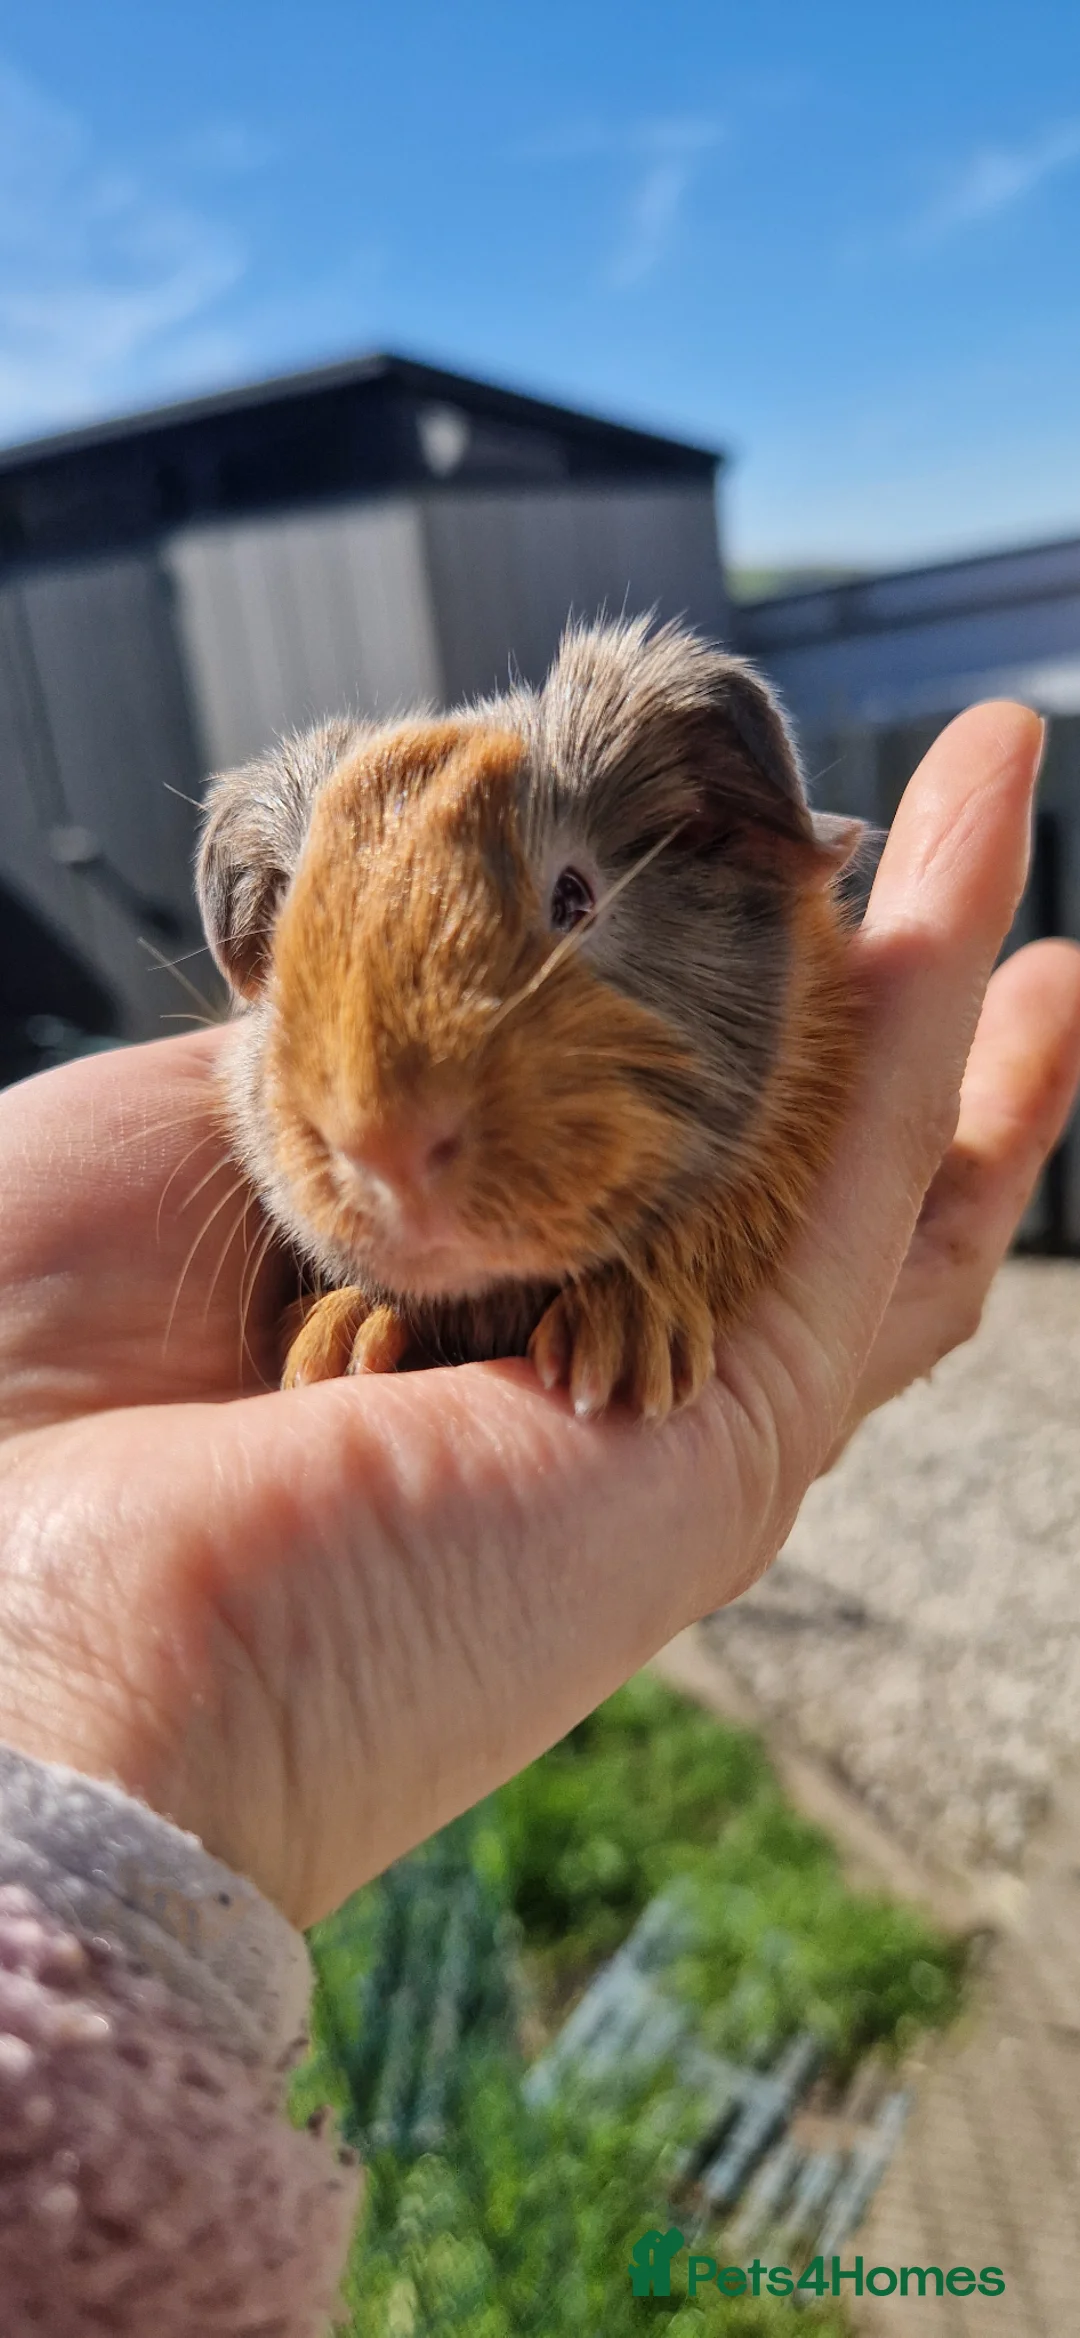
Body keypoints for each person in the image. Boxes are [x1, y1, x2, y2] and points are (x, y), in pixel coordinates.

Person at [0, 701, 1077, 2332]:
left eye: (572, 903)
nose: (380, 1127)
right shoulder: (276, 1135)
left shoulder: (782, 981)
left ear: (716, 837)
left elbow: (797, 1125)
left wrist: (691, 1264)